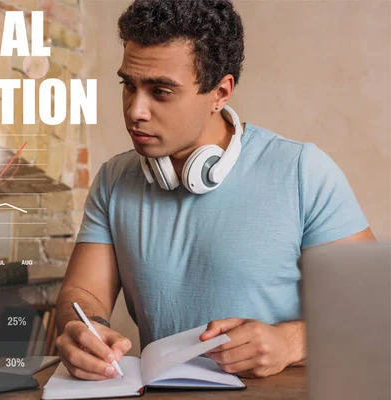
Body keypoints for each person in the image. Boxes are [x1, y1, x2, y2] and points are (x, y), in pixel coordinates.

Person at [54, 0, 375, 381]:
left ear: (220, 92)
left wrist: (292, 343)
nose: (135, 110)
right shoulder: (113, 179)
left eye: (160, 91)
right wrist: (82, 329)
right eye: (129, 85)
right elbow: (83, 294)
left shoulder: (302, 171)